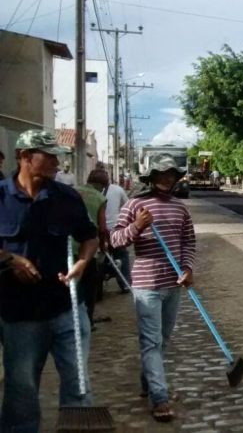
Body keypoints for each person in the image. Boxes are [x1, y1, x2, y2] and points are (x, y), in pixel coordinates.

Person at [0, 130, 99, 432]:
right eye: (51, 155)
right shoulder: (1, 197)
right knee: (22, 391)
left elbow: (90, 237)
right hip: (20, 316)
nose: (59, 161)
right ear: (26, 157)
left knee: (78, 384)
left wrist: (82, 263)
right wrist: (9, 259)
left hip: (66, 308)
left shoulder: (65, 197)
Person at [110, 155, 195, 423]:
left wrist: (188, 269)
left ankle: (148, 379)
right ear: (151, 176)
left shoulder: (180, 208)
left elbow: (188, 242)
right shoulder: (136, 204)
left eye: (171, 174)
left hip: (173, 284)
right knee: (151, 341)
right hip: (146, 285)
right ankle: (160, 398)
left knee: (163, 340)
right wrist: (137, 226)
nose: (167, 178)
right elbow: (115, 241)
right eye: (161, 174)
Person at [74, 169, 110, 326]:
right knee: (89, 287)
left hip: (68, 247)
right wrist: (103, 246)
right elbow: (102, 228)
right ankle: (87, 320)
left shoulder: (73, 191)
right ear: (103, 186)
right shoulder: (100, 198)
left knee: (71, 285)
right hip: (88, 248)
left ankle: (72, 318)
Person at [103, 174, 131, 292]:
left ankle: (106, 274)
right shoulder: (118, 190)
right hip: (115, 229)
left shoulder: (91, 192)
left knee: (100, 258)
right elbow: (128, 205)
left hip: (99, 229)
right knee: (122, 255)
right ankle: (124, 284)